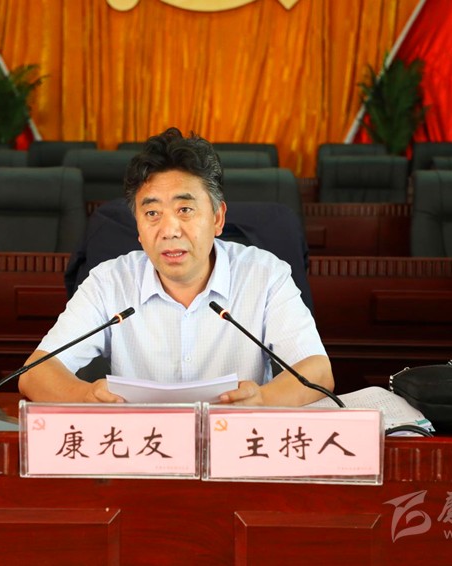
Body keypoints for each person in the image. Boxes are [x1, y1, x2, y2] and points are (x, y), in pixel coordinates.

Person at [18, 127, 333, 406]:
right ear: (138, 227)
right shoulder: (108, 281)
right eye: (152, 214)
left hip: (234, 441)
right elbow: (36, 372)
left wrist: (263, 399)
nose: (169, 230)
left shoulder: (265, 275)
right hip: (141, 446)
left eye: (185, 209)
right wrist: (86, 396)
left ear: (217, 218)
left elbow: (317, 371)